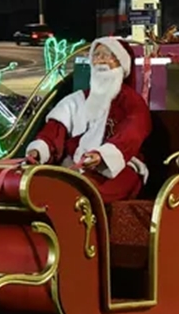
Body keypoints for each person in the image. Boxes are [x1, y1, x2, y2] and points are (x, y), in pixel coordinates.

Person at [25, 36, 151, 203]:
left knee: (83, 191)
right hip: (74, 166)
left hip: (118, 167)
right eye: (96, 55)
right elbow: (54, 132)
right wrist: (39, 150)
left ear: (121, 63)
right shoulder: (74, 101)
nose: (100, 60)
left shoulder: (132, 102)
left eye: (108, 55)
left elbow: (132, 132)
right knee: (37, 184)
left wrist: (102, 155)